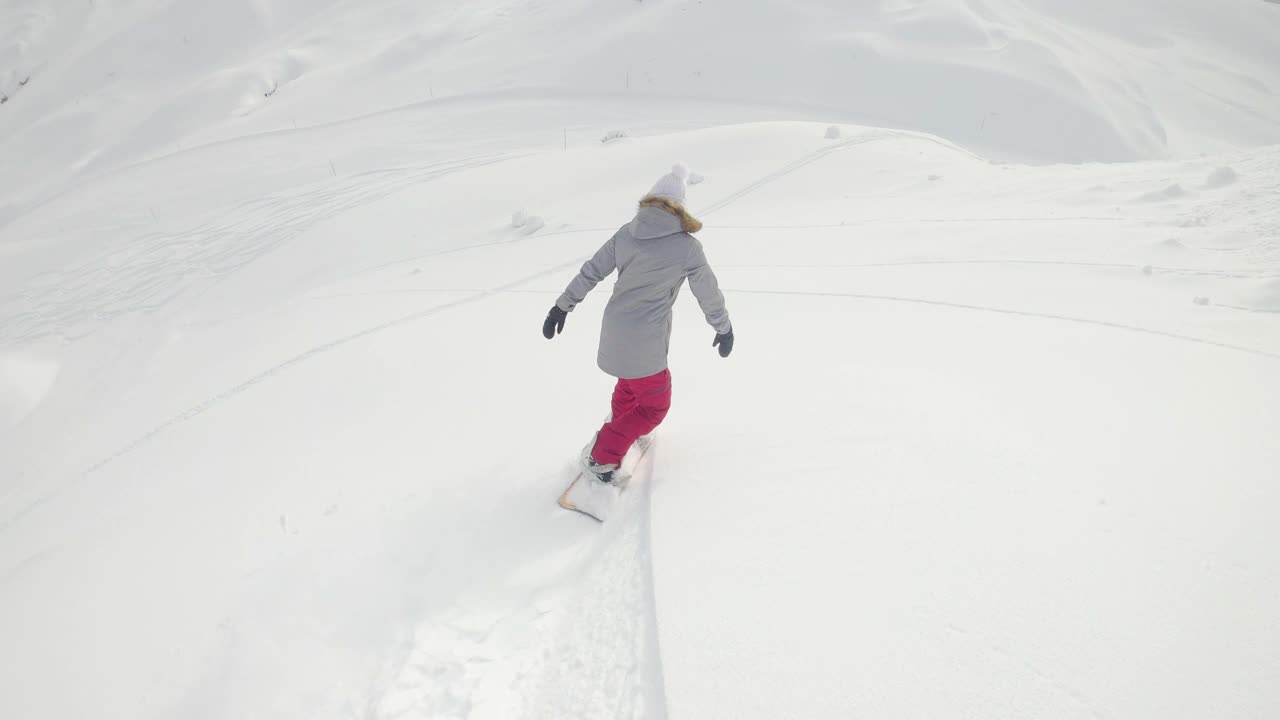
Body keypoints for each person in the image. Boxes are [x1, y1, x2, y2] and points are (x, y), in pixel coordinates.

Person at [542, 163, 734, 483]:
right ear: (679, 209)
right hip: (646, 338)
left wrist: (560, 308)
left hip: (614, 328)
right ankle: (603, 456)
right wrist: (723, 328)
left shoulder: (626, 232)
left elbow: (591, 271)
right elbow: (708, 293)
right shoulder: (687, 247)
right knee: (655, 406)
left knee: (631, 384)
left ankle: (620, 422)